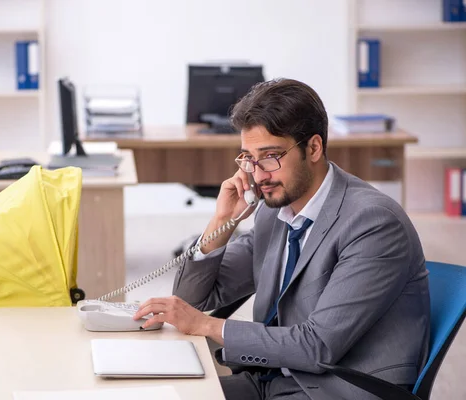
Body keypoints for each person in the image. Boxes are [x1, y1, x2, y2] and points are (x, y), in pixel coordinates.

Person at [133, 78, 430, 400]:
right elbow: (193, 301)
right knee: (160, 393)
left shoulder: (372, 222)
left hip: (337, 390)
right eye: (248, 158)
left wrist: (208, 326)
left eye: (270, 156)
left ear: (313, 148)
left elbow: (317, 346)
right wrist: (222, 222)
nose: (258, 175)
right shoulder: (274, 212)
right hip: (274, 378)